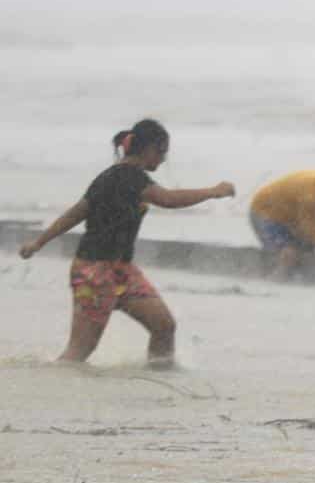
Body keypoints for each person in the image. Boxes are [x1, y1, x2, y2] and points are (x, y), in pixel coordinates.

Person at [16, 119, 235, 367]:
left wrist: (38, 242)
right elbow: (168, 199)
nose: (163, 160)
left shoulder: (111, 177)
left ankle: (159, 377)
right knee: (78, 353)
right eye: (163, 152)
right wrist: (212, 191)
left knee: (164, 325)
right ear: (150, 148)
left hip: (123, 271)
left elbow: (75, 213)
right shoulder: (128, 176)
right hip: (94, 273)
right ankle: (47, 385)